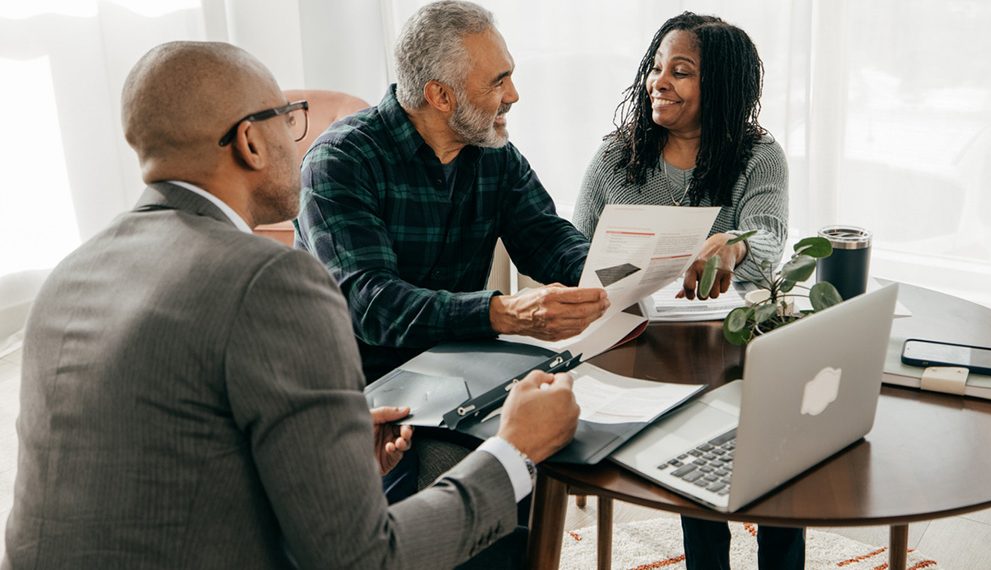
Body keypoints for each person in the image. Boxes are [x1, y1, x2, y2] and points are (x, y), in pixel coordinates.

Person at [2, 41, 579, 570]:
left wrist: (328, 448)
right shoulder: (272, 281)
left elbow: (171, 459)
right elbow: (362, 560)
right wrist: (514, 450)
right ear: (250, 141)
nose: (296, 135)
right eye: (286, 116)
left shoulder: (68, 275)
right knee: (498, 525)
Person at [295, 0, 609, 504]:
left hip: (458, 370)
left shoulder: (494, 153)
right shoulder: (340, 161)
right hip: (360, 386)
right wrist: (500, 313)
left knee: (553, 448)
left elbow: (547, 238)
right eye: (497, 81)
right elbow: (373, 304)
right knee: (456, 498)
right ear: (440, 96)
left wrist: (615, 271)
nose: (514, 95)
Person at [572, 13, 804, 570]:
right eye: (656, 68)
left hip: (732, 345)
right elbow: (575, 253)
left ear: (720, 86)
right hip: (640, 345)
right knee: (691, 441)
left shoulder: (758, 156)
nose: (660, 81)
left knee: (782, 440)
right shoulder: (614, 158)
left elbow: (770, 236)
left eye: (681, 71)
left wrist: (733, 243)